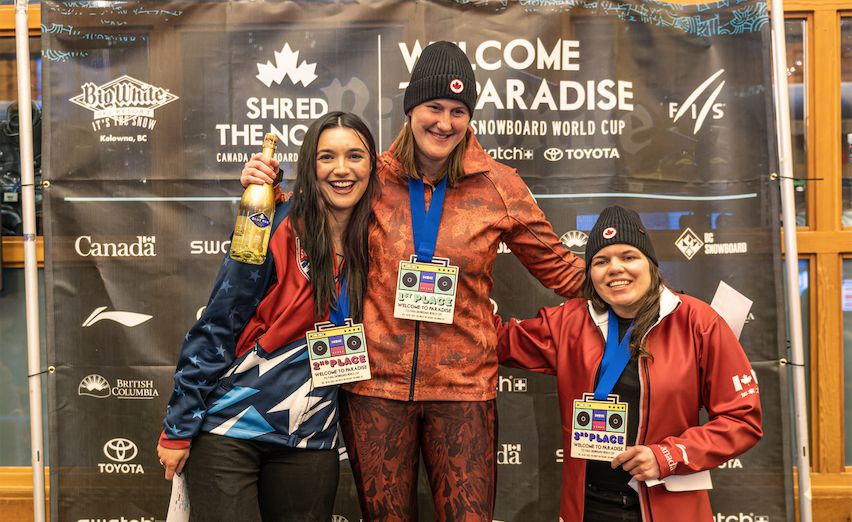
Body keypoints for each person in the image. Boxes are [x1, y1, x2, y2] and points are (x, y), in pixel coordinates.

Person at [241, 41, 585, 521]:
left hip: (464, 388)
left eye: (458, 111)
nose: (445, 123)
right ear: (411, 110)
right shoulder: (372, 175)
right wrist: (267, 187)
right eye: (434, 107)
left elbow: (561, 270)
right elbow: (309, 217)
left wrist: (642, 287)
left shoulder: (498, 185)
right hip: (375, 388)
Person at [156, 111, 379, 522]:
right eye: (326, 156)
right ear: (310, 165)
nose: (341, 169)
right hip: (231, 429)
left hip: (310, 437)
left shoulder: (382, 239)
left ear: (373, 166)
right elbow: (220, 321)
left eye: (355, 156)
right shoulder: (274, 225)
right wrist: (179, 424)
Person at [495, 205, 763, 522]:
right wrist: (463, 282)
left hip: (669, 507)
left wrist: (667, 456)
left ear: (650, 264)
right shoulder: (570, 321)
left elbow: (741, 420)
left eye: (628, 257)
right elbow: (496, 341)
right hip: (589, 508)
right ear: (590, 273)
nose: (615, 268)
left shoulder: (697, 322)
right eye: (601, 261)